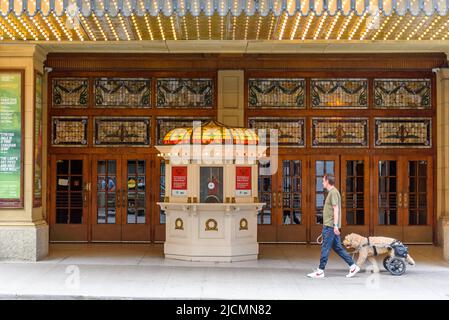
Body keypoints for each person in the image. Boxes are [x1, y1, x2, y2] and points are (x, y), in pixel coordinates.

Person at [307, 174, 360, 278]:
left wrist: (335, 226)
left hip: (330, 226)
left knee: (325, 248)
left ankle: (320, 271)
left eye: (323, 181)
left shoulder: (333, 193)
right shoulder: (332, 192)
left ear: (327, 181)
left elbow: (336, 209)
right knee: (338, 248)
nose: (322, 183)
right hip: (330, 226)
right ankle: (353, 266)